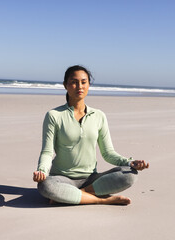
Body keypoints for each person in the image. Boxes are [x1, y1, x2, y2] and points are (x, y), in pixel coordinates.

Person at [33, 65, 149, 205]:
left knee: (130, 175)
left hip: (91, 179)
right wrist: (42, 171)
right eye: (74, 82)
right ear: (65, 85)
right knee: (45, 186)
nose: (79, 86)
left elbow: (108, 153)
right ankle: (101, 199)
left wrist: (130, 163)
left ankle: (74, 195)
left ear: (89, 85)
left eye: (83, 82)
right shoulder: (54, 115)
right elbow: (47, 151)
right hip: (62, 178)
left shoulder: (99, 116)